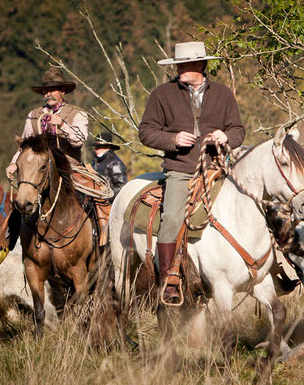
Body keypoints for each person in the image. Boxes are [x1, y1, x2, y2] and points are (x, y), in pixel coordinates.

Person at [138, 41, 245, 301]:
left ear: (200, 65)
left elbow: (239, 131)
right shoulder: (161, 94)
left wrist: (225, 136)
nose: (179, 69)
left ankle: (267, 269)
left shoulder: (223, 93)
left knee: (252, 208)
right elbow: (146, 132)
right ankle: (170, 279)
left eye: (183, 64)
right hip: (181, 170)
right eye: (178, 65)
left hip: (219, 169)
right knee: (172, 217)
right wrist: (172, 140)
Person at [0, 67, 90, 271]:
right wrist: (14, 163)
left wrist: (63, 125)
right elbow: (24, 146)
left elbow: (80, 141)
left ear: (62, 91)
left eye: (53, 89)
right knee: (20, 202)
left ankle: (100, 243)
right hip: (37, 170)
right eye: (45, 91)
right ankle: (1, 251)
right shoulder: (34, 115)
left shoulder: (77, 114)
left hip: (69, 169)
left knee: (93, 198)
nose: (48, 94)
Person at [91, 132, 128, 201]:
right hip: (96, 202)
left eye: (99, 146)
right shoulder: (95, 162)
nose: (96, 149)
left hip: (110, 205)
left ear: (108, 147)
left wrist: (105, 197)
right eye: (95, 146)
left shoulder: (115, 163)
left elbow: (122, 186)